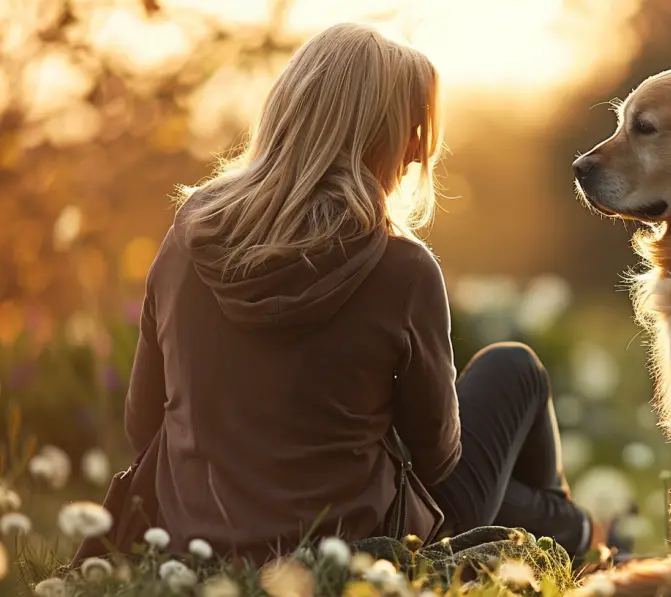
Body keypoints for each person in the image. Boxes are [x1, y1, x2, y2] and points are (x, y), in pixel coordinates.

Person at [123, 22, 594, 563]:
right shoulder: (402, 270)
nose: (417, 158)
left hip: (197, 542)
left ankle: (579, 534)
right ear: (382, 137)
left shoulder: (188, 237)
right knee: (515, 370)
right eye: (414, 134)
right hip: (359, 551)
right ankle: (576, 535)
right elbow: (438, 459)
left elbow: (142, 425)